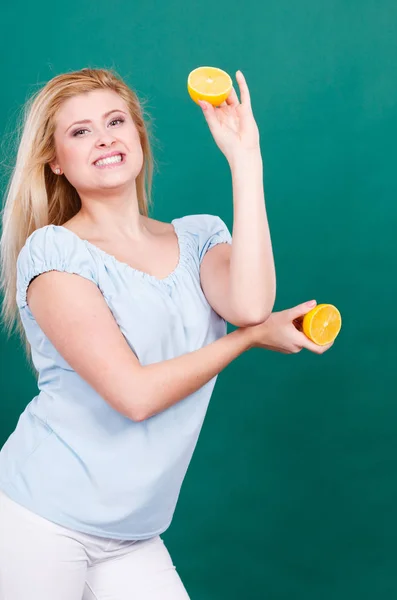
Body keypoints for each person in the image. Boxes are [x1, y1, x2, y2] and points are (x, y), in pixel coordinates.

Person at [0, 67, 333, 599]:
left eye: (116, 121)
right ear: (54, 161)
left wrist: (246, 160)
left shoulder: (199, 239)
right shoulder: (53, 254)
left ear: (138, 136)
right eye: (80, 131)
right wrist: (247, 339)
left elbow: (251, 304)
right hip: (40, 516)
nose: (105, 136)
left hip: (132, 533)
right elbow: (135, 396)